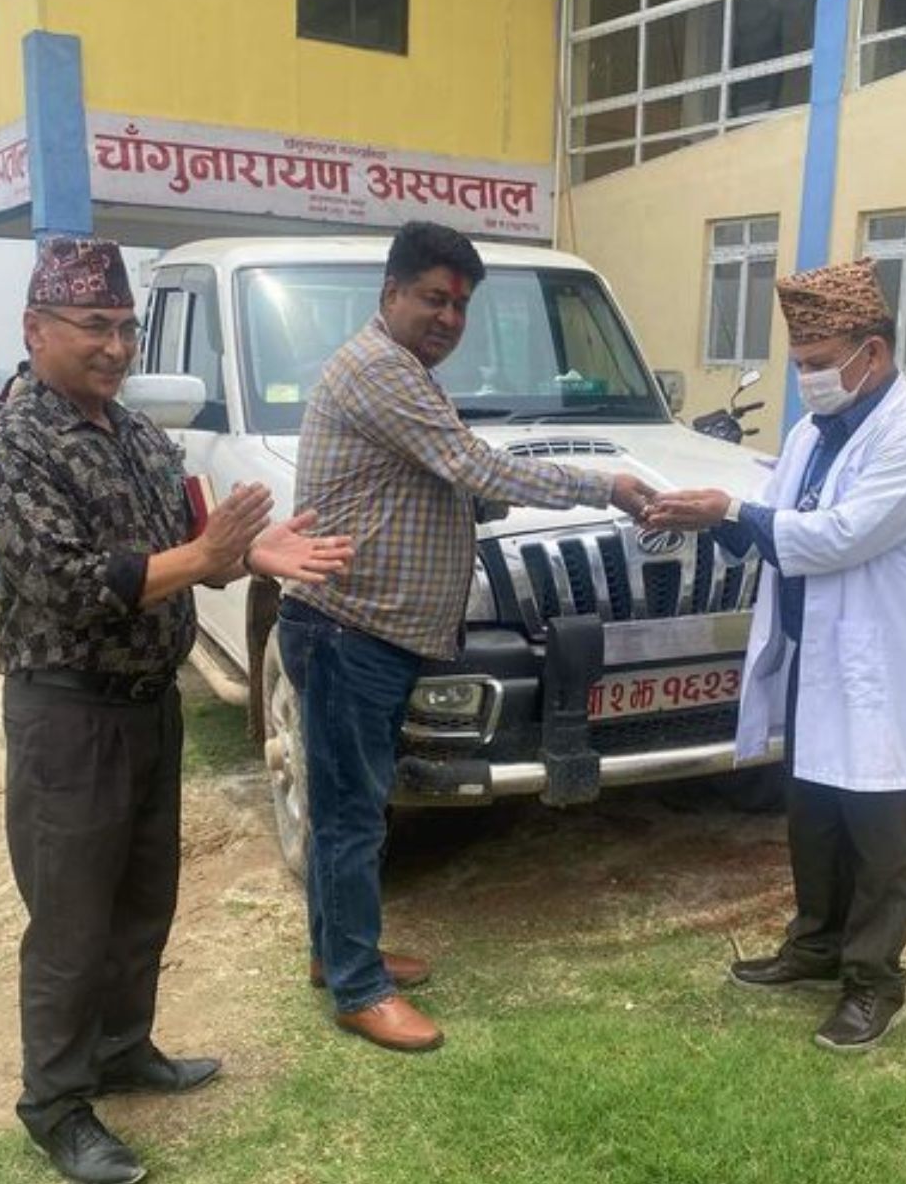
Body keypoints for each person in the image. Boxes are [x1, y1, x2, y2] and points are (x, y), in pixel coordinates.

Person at [0, 235, 352, 1184]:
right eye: (94, 326)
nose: (115, 346)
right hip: (68, 717)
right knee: (70, 920)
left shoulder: (137, 435)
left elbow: (188, 545)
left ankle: (122, 1048)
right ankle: (56, 1104)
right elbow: (68, 585)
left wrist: (249, 554)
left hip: (148, 705)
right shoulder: (13, 450)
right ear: (36, 329)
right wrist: (208, 556)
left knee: (144, 897)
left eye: (126, 328)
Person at [279, 220, 659, 1054]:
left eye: (460, 305)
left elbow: (449, 480)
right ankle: (358, 988)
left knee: (353, 807)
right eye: (433, 298)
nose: (449, 318)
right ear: (391, 294)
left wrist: (482, 495)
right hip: (348, 631)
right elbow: (472, 465)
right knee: (351, 816)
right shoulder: (381, 369)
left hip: (369, 631)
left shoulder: (405, 373)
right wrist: (605, 485)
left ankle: (335, 952)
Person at [643, 259, 906, 1053]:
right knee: (815, 814)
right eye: (800, 365)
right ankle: (816, 946)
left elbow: (841, 536)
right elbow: (771, 513)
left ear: (872, 354)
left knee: (881, 830)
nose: (808, 380)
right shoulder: (812, 433)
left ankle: (875, 981)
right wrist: (706, 516)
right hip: (813, 654)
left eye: (819, 364)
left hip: (879, 664)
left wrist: (730, 509)